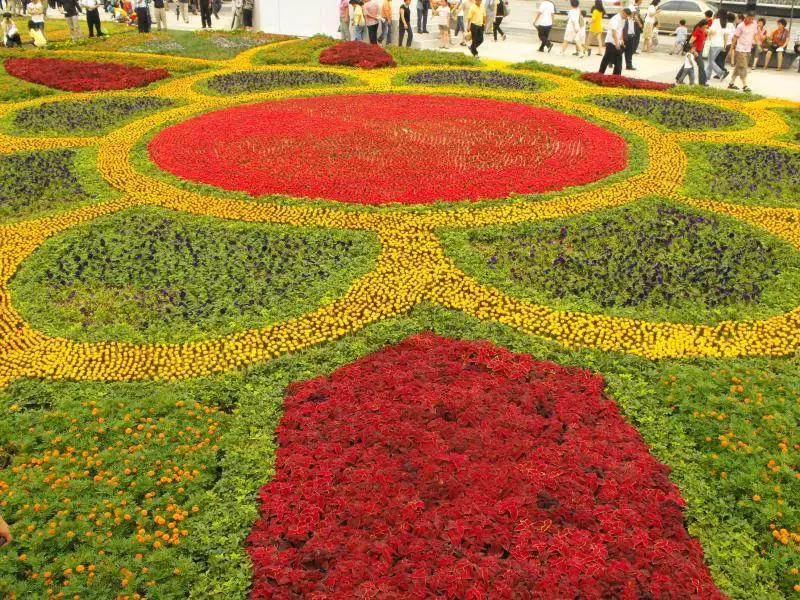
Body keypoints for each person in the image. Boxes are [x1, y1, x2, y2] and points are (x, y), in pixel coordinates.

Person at [728, 10, 756, 92]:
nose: (750, 20)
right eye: (749, 18)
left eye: (752, 19)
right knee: (743, 67)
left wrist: (758, 43)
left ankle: (731, 83)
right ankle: (745, 86)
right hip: (740, 49)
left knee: (738, 66)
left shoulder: (754, 24)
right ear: (746, 17)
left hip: (748, 49)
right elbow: (735, 37)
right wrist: (731, 49)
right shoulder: (740, 26)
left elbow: (755, 35)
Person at [599, 7, 628, 74]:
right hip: (611, 41)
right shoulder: (615, 19)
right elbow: (613, 32)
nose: (626, 18)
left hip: (617, 41)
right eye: (626, 16)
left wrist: (621, 39)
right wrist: (616, 43)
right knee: (607, 58)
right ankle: (600, 73)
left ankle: (617, 75)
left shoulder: (623, 19)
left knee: (619, 58)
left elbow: (621, 30)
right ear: (623, 13)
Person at [706, 9, 728, 81]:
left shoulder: (716, 21)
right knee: (711, 61)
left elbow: (712, 32)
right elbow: (726, 35)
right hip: (721, 44)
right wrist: (724, 46)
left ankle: (721, 73)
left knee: (710, 61)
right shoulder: (725, 23)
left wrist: (707, 31)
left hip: (714, 43)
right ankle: (707, 76)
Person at [688, 18, 708, 84]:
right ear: (703, 25)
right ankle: (702, 82)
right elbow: (690, 42)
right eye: (706, 25)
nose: (707, 26)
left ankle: (679, 78)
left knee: (687, 65)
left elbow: (704, 40)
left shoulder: (703, 31)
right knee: (701, 66)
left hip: (700, 50)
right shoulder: (697, 31)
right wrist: (694, 51)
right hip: (695, 51)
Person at [623, 0, 641, 69]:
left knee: (629, 52)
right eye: (633, 13)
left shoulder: (632, 19)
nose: (633, 14)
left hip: (631, 36)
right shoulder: (625, 19)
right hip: (626, 37)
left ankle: (629, 65)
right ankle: (611, 61)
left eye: (634, 13)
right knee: (620, 51)